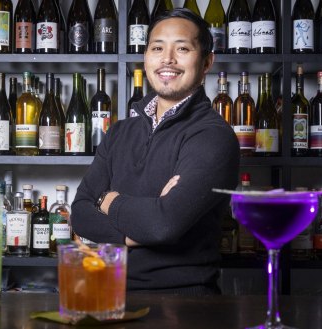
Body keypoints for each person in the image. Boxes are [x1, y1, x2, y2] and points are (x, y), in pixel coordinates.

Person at [70, 8, 240, 296]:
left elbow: (163, 225)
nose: (167, 59)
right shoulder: (119, 132)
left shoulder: (213, 136)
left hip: (182, 303)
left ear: (207, 62)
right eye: (157, 47)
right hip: (106, 293)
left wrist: (108, 200)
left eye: (182, 48)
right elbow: (80, 215)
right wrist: (138, 230)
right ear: (146, 56)